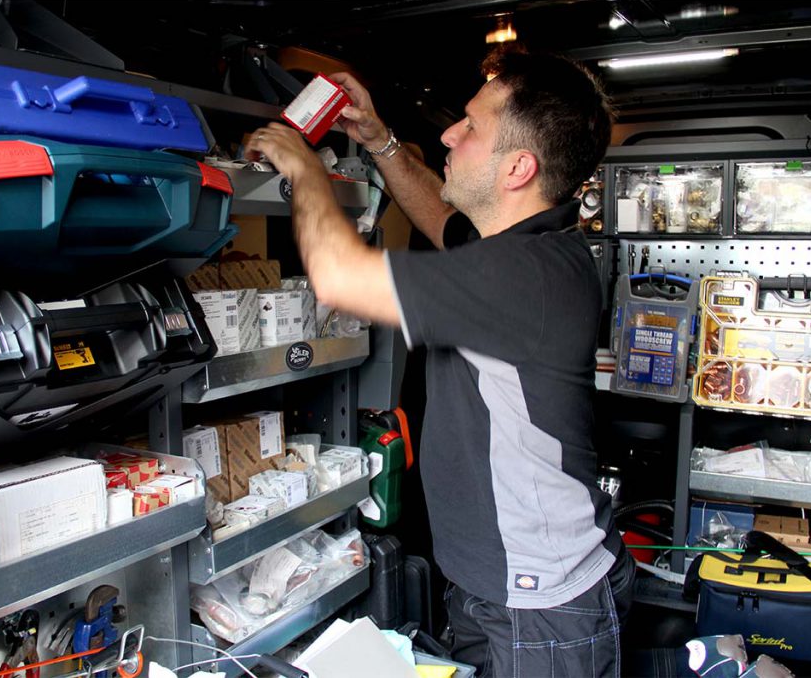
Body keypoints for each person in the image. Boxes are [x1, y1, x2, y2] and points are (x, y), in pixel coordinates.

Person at [244, 50, 635, 678]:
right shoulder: (523, 246)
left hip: (541, 605)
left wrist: (305, 167)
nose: (449, 133)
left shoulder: (522, 275)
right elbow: (442, 220)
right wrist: (379, 139)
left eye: (471, 127)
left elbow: (339, 275)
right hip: (493, 584)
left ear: (518, 168)